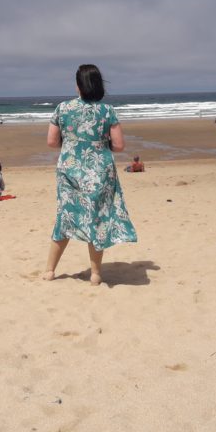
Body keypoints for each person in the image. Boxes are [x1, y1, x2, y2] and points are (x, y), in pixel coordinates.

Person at [43, 64, 137, 285]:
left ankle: (49, 271)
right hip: (99, 171)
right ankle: (95, 274)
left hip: (69, 170)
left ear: (78, 85)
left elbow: (51, 142)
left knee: (65, 217)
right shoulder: (107, 111)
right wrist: (99, 146)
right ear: (97, 85)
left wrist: (73, 144)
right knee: (97, 219)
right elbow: (120, 145)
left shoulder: (63, 109)